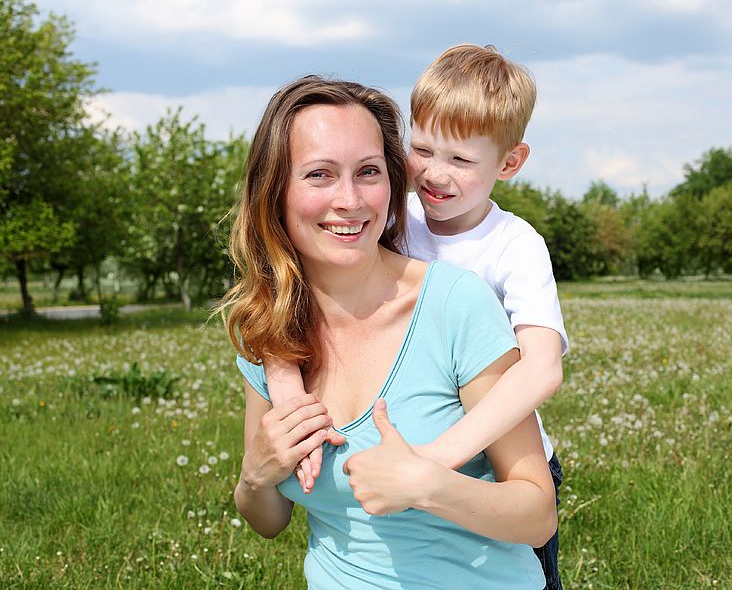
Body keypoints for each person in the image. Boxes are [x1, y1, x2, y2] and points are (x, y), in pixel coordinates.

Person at [219, 76, 556, 589]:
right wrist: (255, 474)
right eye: (319, 175)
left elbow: (537, 516)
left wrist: (430, 483)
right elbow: (269, 522)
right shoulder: (269, 335)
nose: (350, 200)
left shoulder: (457, 301)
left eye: (368, 172)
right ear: (275, 191)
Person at [405, 44, 569, 590]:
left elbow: (543, 368)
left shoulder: (514, 245)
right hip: (412, 450)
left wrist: (439, 457)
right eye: (421, 148)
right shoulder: (393, 219)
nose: (434, 173)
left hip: (503, 461)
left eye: (461, 160)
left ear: (510, 162)